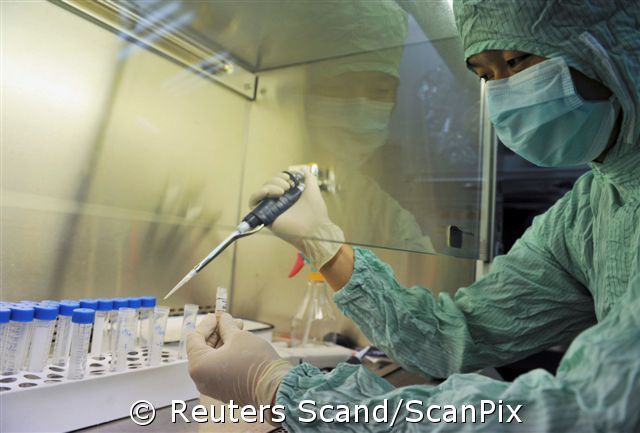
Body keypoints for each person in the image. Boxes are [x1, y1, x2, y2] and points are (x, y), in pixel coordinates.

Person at [187, 0, 640, 431]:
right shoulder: (590, 210)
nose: (503, 91)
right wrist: (323, 244)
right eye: (485, 75)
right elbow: (453, 335)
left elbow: (578, 415)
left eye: (515, 61)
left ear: (606, 44)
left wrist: (279, 387)